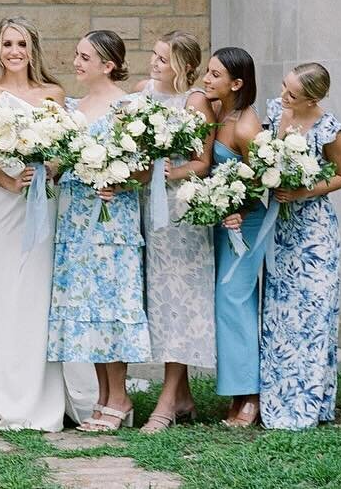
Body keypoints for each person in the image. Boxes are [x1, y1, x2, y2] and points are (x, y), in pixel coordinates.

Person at [0, 16, 97, 430]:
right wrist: (8, 180)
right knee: (4, 289)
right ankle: (6, 397)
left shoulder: (53, 93)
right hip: (3, 202)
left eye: (21, 43)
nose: (14, 51)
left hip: (43, 200)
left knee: (39, 292)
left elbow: (65, 148)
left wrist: (47, 172)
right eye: (6, 44)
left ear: (33, 48)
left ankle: (43, 395)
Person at [47, 30, 151, 432]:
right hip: (75, 220)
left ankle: (119, 396)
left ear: (108, 65)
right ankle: (105, 398)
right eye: (77, 54)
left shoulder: (129, 108)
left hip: (112, 220)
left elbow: (146, 166)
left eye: (85, 57)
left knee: (111, 304)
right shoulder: (71, 108)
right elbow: (61, 160)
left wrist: (121, 181)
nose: (77, 62)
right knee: (87, 308)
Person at [259, 63, 341, 430]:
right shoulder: (272, 113)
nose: (284, 96)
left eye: (292, 94)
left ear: (312, 98)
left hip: (314, 231)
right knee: (281, 313)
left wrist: (304, 191)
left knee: (313, 314)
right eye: (284, 87)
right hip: (279, 229)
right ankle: (278, 396)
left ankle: (311, 401)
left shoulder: (330, 129)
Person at [136, 31, 216, 432]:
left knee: (179, 300)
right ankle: (182, 396)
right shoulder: (141, 92)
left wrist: (172, 172)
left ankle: (167, 403)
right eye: (154, 55)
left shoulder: (196, 101)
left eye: (163, 59)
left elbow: (203, 160)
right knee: (160, 300)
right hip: (147, 209)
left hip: (182, 210)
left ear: (183, 67)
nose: (154, 64)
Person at [202, 47, 270, 427]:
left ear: (237, 83)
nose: (207, 79)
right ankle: (236, 389)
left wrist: (238, 210)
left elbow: (264, 182)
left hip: (245, 223)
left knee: (234, 299)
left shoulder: (246, 126)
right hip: (219, 220)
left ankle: (250, 396)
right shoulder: (216, 113)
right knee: (225, 302)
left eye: (215, 75)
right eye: (207, 72)